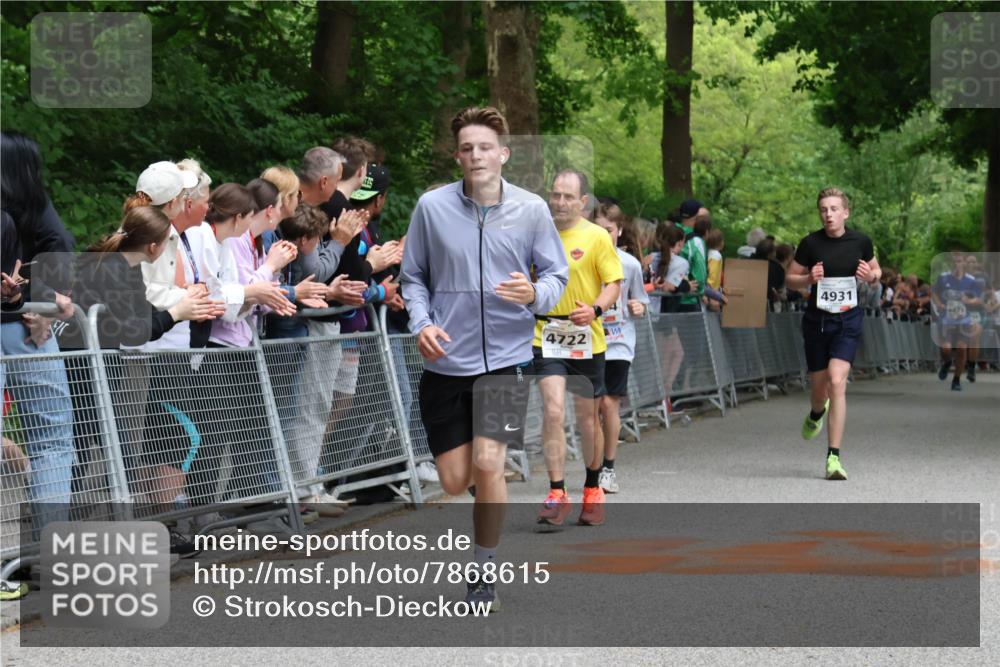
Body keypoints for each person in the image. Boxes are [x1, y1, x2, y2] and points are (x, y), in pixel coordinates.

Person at [400, 106, 568, 609]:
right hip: (446, 363)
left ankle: (483, 575)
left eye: (485, 147)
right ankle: (485, 497)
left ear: (503, 154)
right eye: (467, 148)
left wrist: (534, 294)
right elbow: (413, 279)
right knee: (456, 479)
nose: (476, 155)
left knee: (490, 461)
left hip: (505, 360)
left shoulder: (532, 209)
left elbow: (556, 278)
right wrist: (421, 323)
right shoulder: (432, 208)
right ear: (458, 156)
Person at [0, 132, 76, 600]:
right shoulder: (32, 204)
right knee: (51, 438)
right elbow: (63, 247)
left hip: (21, 319)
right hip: (27, 331)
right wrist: (40, 303)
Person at [533, 170, 622, 528]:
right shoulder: (536, 233)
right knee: (553, 411)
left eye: (569, 196)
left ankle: (591, 489)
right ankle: (556, 492)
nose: (561, 202)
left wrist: (596, 309)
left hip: (586, 336)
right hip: (546, 332)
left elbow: (613, 283)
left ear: (583, 202)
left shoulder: (598, 236)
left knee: (588, 418)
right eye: (556, 195)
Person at [785, 187, 881, 480]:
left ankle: (833, 458)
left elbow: (877, 272)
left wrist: (871, 276)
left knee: (837, 381)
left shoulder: (861, 242)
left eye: (834, 209)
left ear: (845, 212)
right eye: (824, 209)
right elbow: (789, 280)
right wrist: (806, 278)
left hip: (848, 321)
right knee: (819, 391)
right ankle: (816, 412)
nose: (828, 214)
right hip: (818, 322)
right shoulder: (810, 243)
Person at [594, 202, 648, 494]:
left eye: (609, 230)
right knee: (591, 407)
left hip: (619, 342)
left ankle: (608, 468)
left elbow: (640, 302)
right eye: (598, 230)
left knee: (608, 403)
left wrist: (638, 307)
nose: (604, 236)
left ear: (620, 231)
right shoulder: (583, 259)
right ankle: (594, 469)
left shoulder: (629, 265)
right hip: (588, 341)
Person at [932, 253, 983, 391]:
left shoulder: (971, 280)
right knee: (946, 348)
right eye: (954, 261)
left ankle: (956, 380)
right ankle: (947, 362)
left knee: (961, 348)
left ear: (964, 263)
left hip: (964, 319)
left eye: (959, 261)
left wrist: (969, 301)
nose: (957, 264)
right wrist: (939, 304)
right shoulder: (943, 278)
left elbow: (979, 299)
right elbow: (935, 293)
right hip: (947, 319)